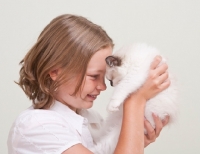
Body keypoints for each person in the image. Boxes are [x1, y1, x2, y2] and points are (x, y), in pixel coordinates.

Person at [7, 14, 170, 154]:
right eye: (93, 76)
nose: (103, 86)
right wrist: (135, 100)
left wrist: (136, 140)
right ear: (55, 71)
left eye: (104, 78)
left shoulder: (92, 120)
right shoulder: (36, 126)